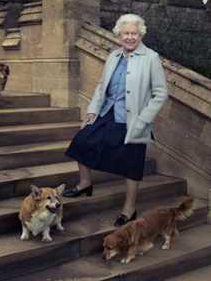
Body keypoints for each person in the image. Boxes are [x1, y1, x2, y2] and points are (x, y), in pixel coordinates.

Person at [63, 13, 168, 227]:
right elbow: (102, 86)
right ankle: (85, 183)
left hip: (134, 120)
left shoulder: (151, 58)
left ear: (141, 35)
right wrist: (92, 111)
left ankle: (129, 208)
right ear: (119, 35)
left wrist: (144, 119)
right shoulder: (113, 56)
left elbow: (160, 93)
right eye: (126, 33)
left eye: (134, 34)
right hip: (108, 112)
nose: (130, 37)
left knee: (132, 163)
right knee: (81, 141)